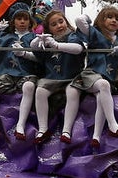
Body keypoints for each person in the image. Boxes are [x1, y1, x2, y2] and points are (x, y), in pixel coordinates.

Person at [60, 6, 118, 148]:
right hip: (92, 74)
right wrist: (87, 18)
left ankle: (96, 137)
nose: (114, 20)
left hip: (106, 77)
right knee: (102, 86)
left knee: (101, 95)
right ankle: (112, 124)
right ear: (101, 20)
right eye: (109, 17)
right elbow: (79, 20)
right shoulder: (95, 33)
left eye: (117, 18)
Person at [0, 10, 40, 141]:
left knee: (29, 87)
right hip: (5, 72)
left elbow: (41, 58)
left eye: (25, 19)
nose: (22, 22)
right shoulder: (5, 37)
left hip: (26, 73)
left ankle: (20, 125)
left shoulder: (34, 38)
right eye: (19, 19)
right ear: (13, 22)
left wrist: (24, 54)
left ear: (30, 21)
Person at [30, 9, 85, 143]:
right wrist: (39, 40)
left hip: (72, 77)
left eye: (61, 21)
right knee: (40, 92)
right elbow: (34, 49)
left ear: (66, 22)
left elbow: (78, 49)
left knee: (73, 92)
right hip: (52, 78)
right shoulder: (47, 41)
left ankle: (66, 130)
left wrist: (57, 45)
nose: (59, 25)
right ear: (49, 29)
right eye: (54, 24)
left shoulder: (72, 36)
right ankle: (43, 129)